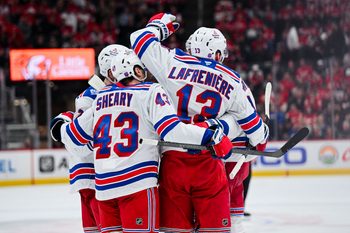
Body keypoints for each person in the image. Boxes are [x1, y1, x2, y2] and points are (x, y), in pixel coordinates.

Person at [50, 46, 232, 233]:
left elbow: (72, 139)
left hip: (104, 190)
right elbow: (173, 131)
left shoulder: (100, 98)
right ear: (136, 69)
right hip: (137, 185)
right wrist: (210, 135)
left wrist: (61, 123)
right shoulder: (151, 91)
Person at [130, 13, 268, 232]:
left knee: (175, 229)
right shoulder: (233, 80)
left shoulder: (170, 61)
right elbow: (254, 130)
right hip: (210, 161)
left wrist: (159, 27)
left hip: (172, 160)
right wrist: (261, 132)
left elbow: (138, 39)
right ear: (218, 52)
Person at [50, 44, 130, 233]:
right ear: (110, 70)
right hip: (95, 177)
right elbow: (83, 143)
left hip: (94, 176)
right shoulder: (92, 97)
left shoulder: (102, 93)